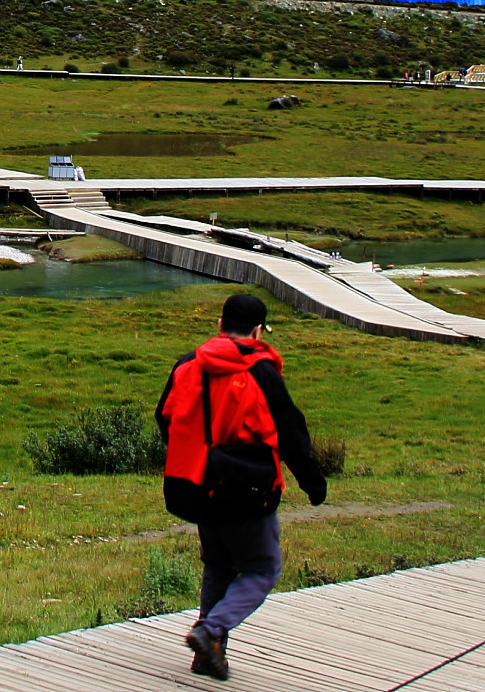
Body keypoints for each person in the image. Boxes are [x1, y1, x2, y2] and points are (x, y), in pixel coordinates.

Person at [155, 292, 327, 681]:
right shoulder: (261, 371)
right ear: (257, 332)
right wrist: (313, 483)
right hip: (246, 489)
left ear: (219, 324)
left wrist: (196, 456)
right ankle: (211, 632)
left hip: (197, 486)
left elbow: (165, 417)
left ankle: (207, 656)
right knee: (263, 568)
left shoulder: (188, 365)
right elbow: (291, 432)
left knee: (218, 563)